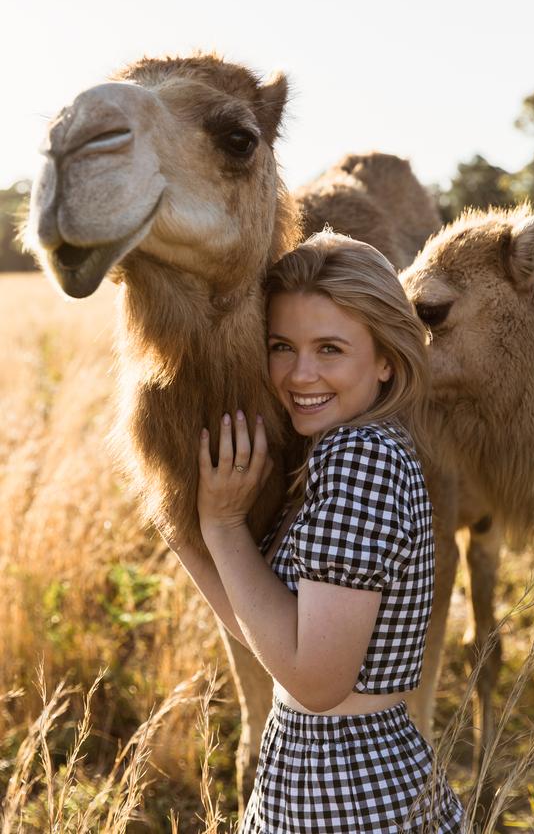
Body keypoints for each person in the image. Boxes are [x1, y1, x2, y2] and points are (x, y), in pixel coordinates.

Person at [176, 231, 464, 833]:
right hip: (330, 780)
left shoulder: (361, 458)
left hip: (350, 796)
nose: (300, 374)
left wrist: (225, 526)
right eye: (282, 346)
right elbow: (272, 633)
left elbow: (317, 682)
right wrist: (186, 532)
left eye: (330, 348)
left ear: (386, 359)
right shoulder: (345, 449)